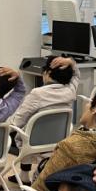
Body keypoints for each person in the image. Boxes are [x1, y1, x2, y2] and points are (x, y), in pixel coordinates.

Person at [9, 56, 80, 184]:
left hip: (34, 141)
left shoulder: (38, 93)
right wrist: (70, 62)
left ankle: (23, 175)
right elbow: (76, 75)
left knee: (19, 131)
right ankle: (24, 176)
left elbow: (19, 119)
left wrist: (7, 129)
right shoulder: (70, 91)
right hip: (58, 139)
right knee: (28, 128)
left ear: (47, 73)